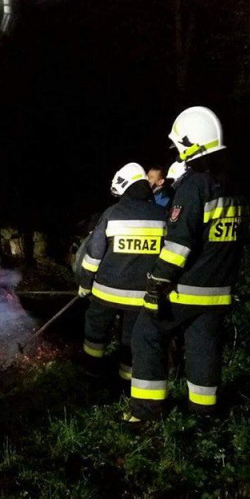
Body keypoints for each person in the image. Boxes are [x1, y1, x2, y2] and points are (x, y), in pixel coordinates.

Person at [126, 106, 248, 424]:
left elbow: (179, 246)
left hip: (187, 288)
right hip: (218, 291)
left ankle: (146, 413)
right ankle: (204, 412)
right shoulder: (232, 185)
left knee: (147, 332)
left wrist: (157, 282)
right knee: (203, 345)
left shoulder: (194, 186)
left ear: (191, 144)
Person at [78, 163, 167, 382]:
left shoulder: (112, 214)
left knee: (95, 331)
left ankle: (91, 371)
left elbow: (94, 255)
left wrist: (85, 283)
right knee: (131, 337)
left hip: (106, 292)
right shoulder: (161, 215)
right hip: (142, 295)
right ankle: (126, 380)